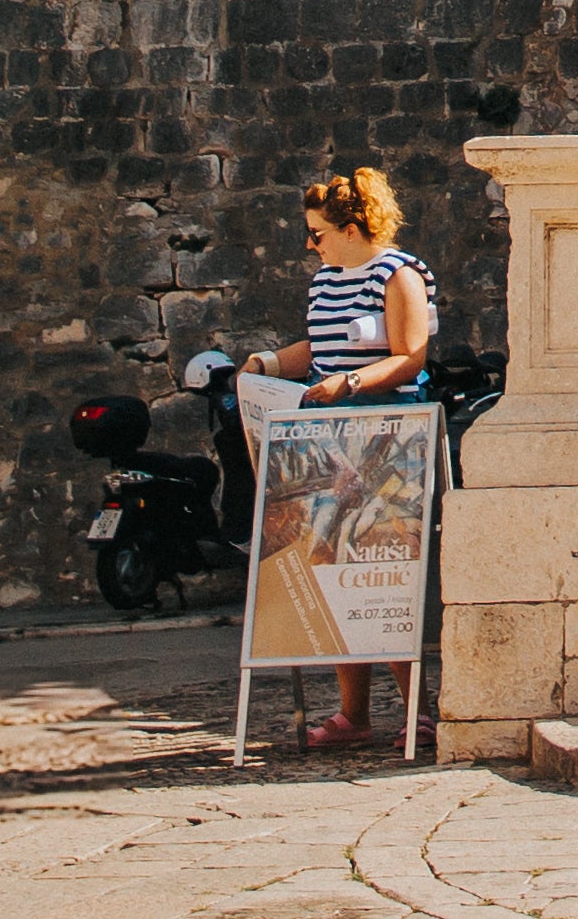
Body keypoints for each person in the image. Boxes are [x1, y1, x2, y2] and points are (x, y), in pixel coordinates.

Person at [251, 166, 435, 751]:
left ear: (353, 227)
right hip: (329, 444)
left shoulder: (396, 274)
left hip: (387, 443)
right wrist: (271, 365)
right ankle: (354, 714)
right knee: (333, 573)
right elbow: (320, 347)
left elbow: (410, 355)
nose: (312, 243)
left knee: (382, 574)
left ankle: (418, 711)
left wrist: (350, 385)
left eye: (318, 232)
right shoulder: (325, 281)